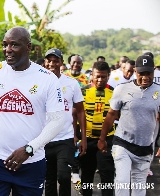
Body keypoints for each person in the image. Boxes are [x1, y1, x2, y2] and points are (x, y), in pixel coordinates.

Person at [0, 26, 65, 196]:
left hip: (31, 165)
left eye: (14, 45)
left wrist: (29, 149)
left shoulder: (47, 79)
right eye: (5, 45)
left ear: (28, 47)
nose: (8, 50)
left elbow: (57, 120)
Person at [98, 55, 160, 196]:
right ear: (135, 72)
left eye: (148, 73)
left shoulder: (159, 91)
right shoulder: (122, 89)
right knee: (122, 183)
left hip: (145, 147)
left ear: (153, 72)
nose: (145, 77)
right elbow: (111, 115)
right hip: (123, 144)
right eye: (141, 73)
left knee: (139, 189)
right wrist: (102, 139)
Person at [43, 48, 87, 196]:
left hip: (65, 139)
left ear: (61, 63)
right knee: (49, 180)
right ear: (45, 62)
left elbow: (80, 111)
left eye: (55, 61)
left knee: (63, 176)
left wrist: (83, 139)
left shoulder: (71, 83)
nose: (52, 64)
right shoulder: (37, 83)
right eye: (49, 60)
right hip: (44, 139)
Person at [80, 61, 115, 196]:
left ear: (108, 76)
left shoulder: (114, 93)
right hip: (87, 140)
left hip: (107, 140)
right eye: (97, 76)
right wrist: (78, 136)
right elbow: (78, 115)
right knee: (87, 174)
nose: (100, 80)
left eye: (103, 77)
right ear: (92, 76)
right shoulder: (83, 91)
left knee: (107, 174)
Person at [63, 54, 89, 183]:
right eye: (73, 62)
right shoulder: (64, 76)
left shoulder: (87, 79)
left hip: (80, 117)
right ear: (69, 63)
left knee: (79, 145)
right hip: (66, 118)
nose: (76, 65)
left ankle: (75, 171)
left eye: (79, 63)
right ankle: (71, 170)